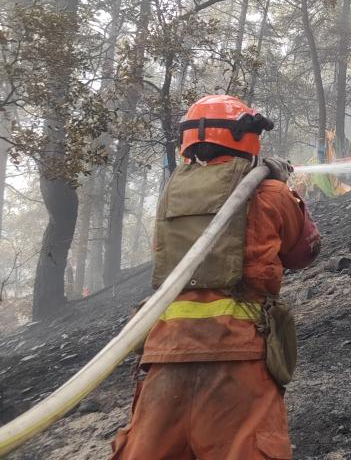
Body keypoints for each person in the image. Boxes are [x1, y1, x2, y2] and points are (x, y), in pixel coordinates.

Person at [110, 95, 321, 460]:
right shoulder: (270, 192)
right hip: (238, 360)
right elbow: (304, 253)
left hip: (166, 356)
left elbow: (164, 256)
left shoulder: (172, 196)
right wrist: (289, 194)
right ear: (249, 136)